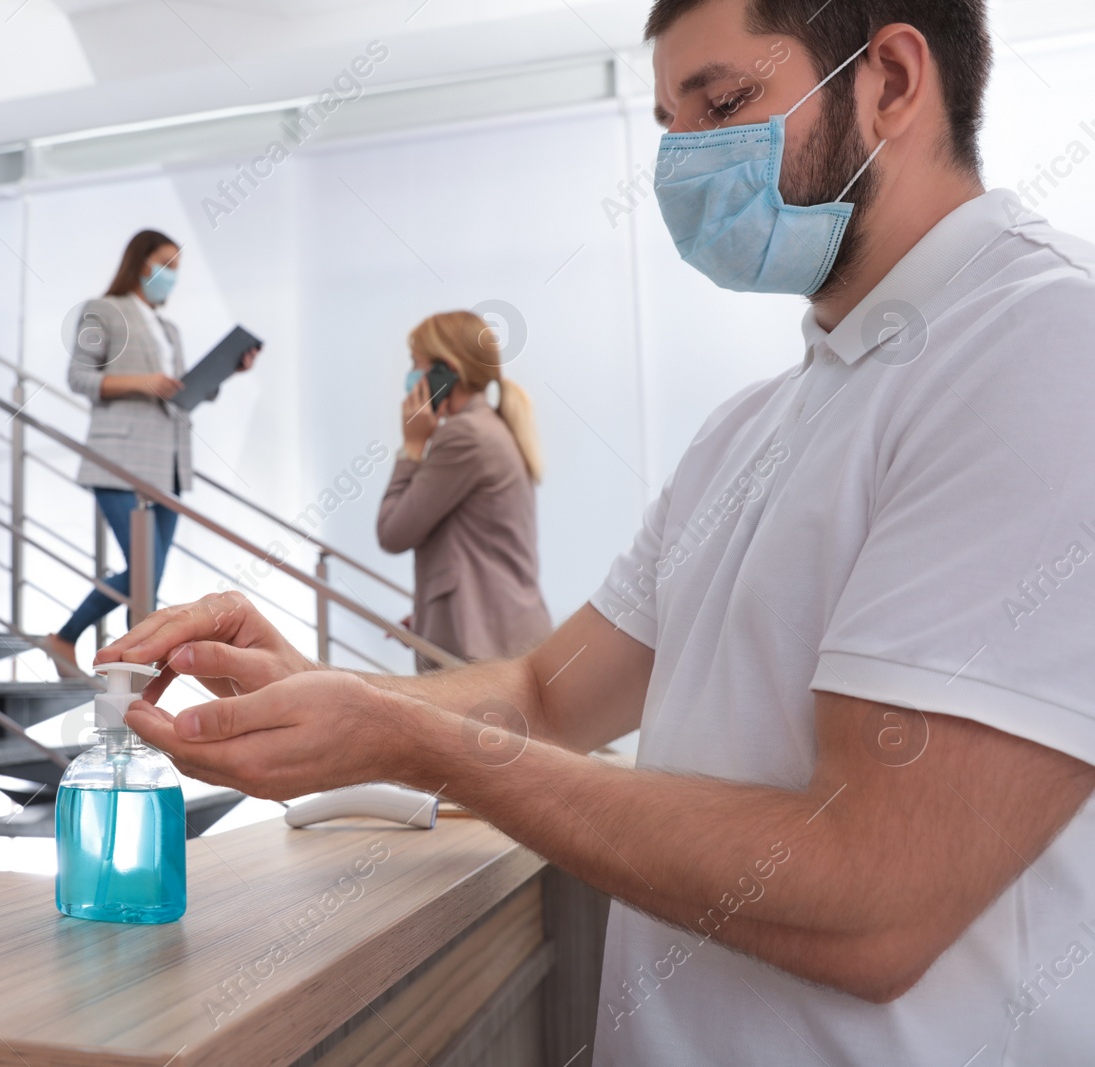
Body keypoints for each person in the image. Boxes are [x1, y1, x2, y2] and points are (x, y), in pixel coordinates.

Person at [92, 2, 1095, 1063]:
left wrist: (410, 740)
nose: (685, 165)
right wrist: (314, 686)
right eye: (669, 124)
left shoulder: (1043, 346)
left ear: (890, 80)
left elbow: (872, 896)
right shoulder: (754, 425)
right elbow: (546, 696)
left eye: (724, 104)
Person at [46, 230, 255, 676]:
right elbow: (80, 378)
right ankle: (68, 640)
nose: (172, 276)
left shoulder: (169, 329)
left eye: (177, 268)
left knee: (149, 580)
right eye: (166, 264)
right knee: (144, 569)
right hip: (118, 458)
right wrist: (143, 381)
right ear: (142, 261)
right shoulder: (104, 311)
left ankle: (124, 668)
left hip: (168, 462)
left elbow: (180, 396)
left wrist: (227, 372)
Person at [378, 311, 551, 669]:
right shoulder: (487, 427)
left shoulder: (465, 436)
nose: (410, 376)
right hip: (497, 636)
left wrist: (411, 448)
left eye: (416, 364)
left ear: (446, 371)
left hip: (486, 647)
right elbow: (474, 544)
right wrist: (430, 616)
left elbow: (392, 532)